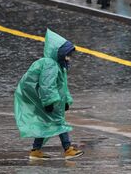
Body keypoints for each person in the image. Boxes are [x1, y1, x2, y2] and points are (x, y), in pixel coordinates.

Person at [14, 29, 84, 160]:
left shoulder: (59, 65)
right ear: (60, 53)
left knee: (45, 124)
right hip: (51, 102)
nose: (69, 57)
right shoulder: (50, 64)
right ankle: (68, 149)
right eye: (67, 54)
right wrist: (49, 102)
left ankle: (35, 151)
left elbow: (62, 86)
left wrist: (67, 101)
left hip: (55, 101)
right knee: (58, 123)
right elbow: (47, 85)